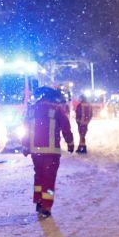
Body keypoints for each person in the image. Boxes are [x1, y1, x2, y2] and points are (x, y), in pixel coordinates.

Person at [22, 87, 74, 218]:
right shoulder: (57, 110)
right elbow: (66, 127)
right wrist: (70, 142)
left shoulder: (32, 110)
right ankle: (46, 206)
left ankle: (39, 202)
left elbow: (26, 128)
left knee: (39, 176)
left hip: (36, 152)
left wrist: (25, 145)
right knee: (49, 180)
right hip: (51, 152)